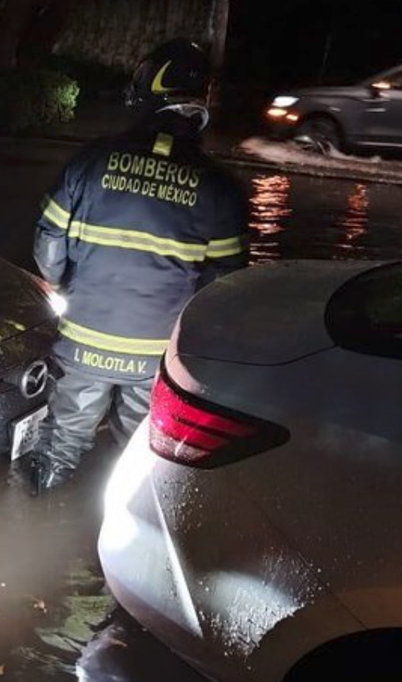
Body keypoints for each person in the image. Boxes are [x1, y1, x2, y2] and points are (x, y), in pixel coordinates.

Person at [27, 38, 250, 494]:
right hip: (155, 354)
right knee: (138, 458)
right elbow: (223, 286)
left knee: (61, 444)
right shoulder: (220, 188)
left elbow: (48, 246)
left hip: (83, 341)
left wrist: (66, 288)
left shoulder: (91, 161)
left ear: (146, 89)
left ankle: (40, 508)